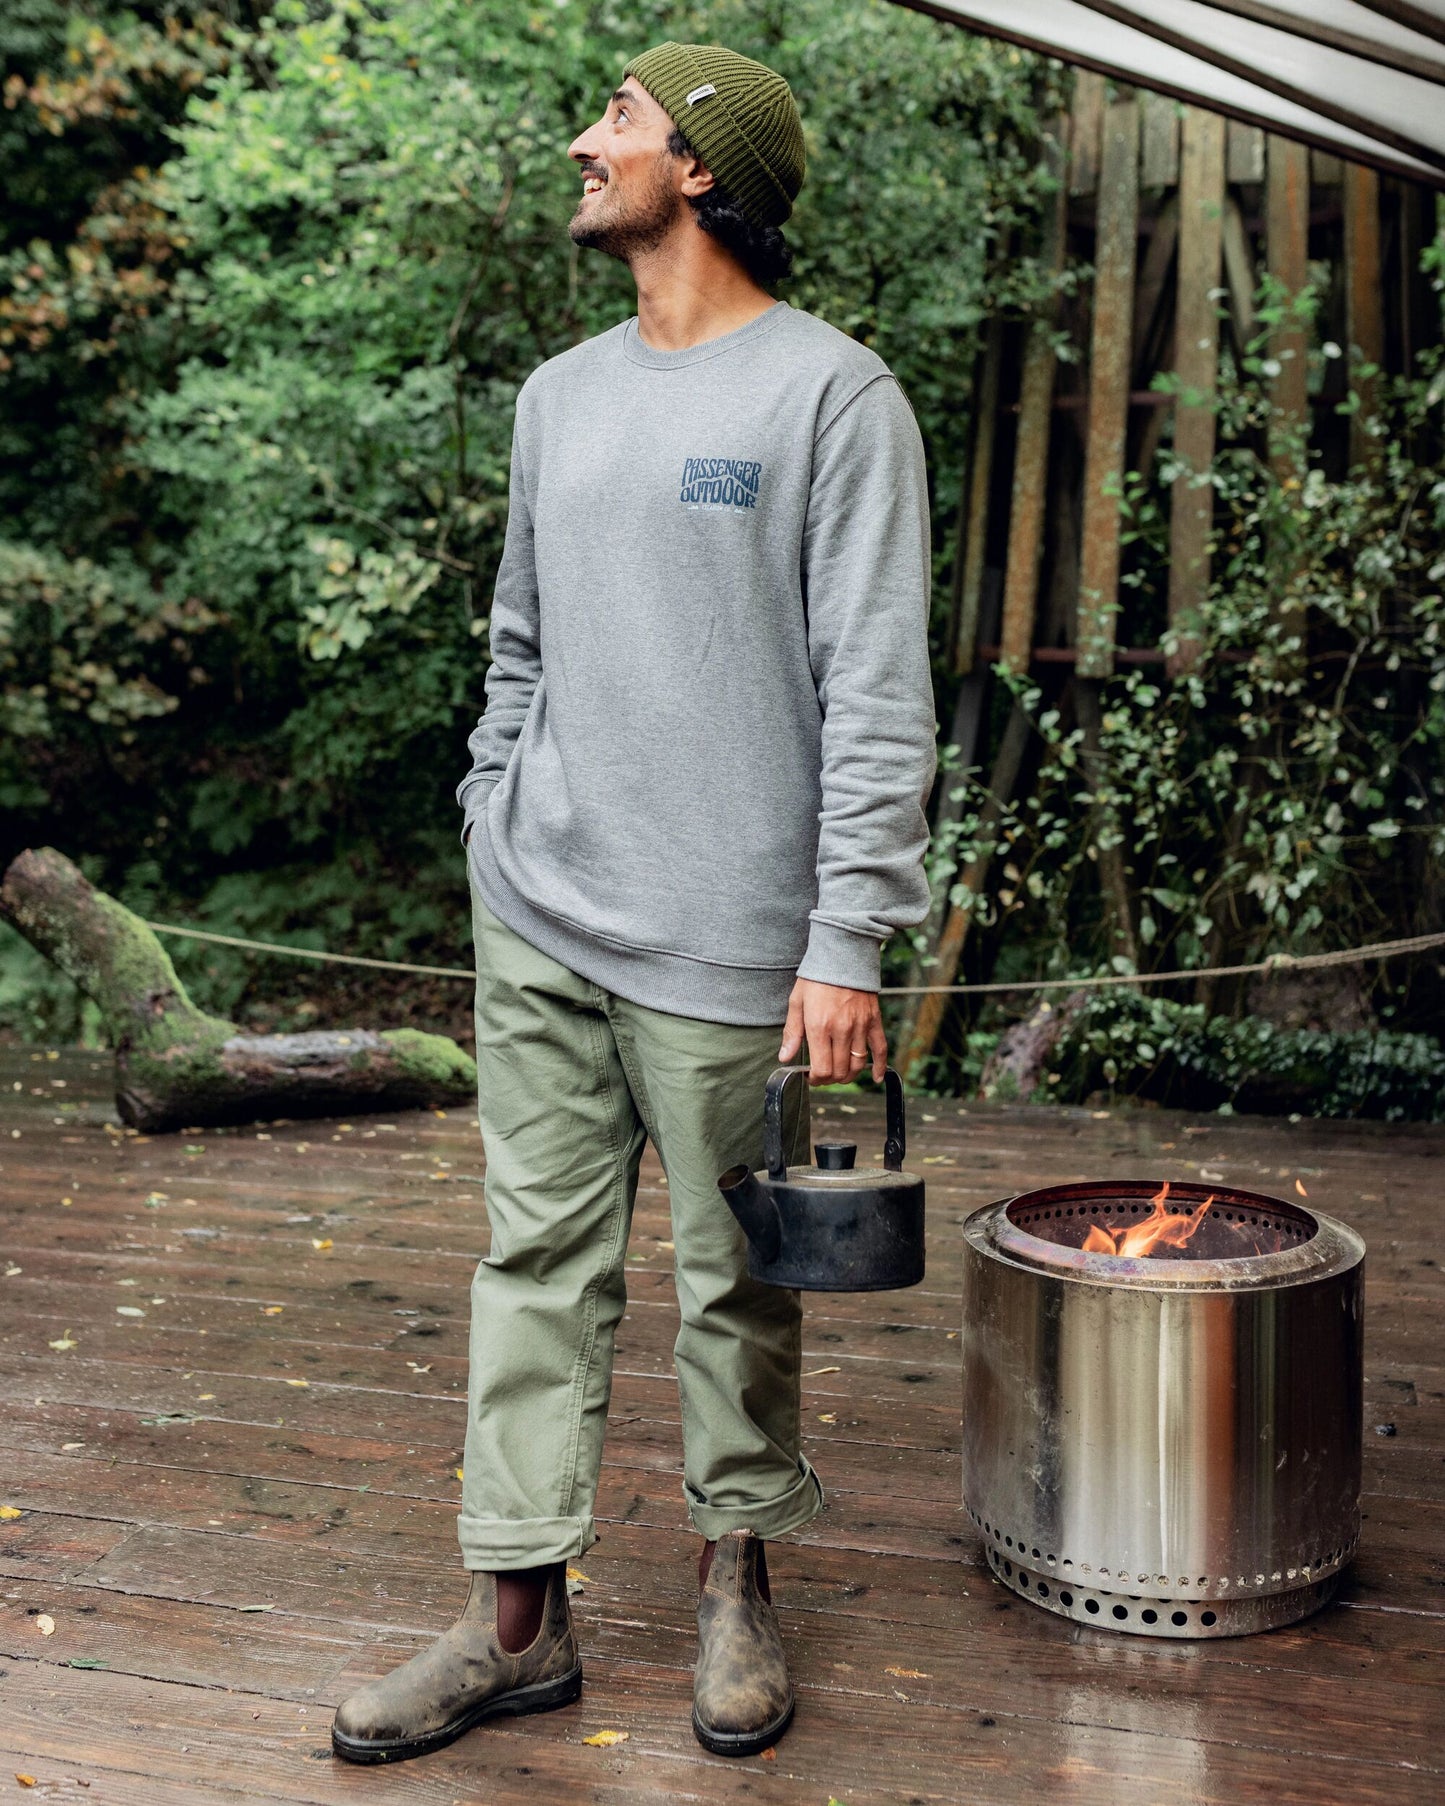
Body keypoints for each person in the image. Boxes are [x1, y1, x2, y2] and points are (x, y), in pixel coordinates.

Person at [331, 40, 935, 1767]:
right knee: (531, 1259)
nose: (582, 143)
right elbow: (517, 642)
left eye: (620, 119)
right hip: (538, 904)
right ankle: (515, 1620)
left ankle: (736, 1577)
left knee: (734, 1277)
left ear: (706, 168)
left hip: (732, 936)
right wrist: (491, 810)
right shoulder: (558, 396)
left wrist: (845, 935)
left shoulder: (833, 400)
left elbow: (876, 690)